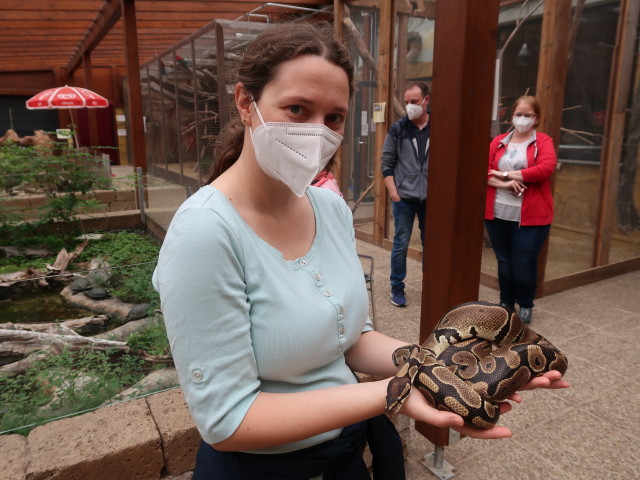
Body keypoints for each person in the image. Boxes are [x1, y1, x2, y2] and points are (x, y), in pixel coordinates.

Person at [153, 25, 568, 479]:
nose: (317, 132)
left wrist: (442, 366)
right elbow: (226, 421)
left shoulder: (329, 208)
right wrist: (402, 388)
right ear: (244, 102)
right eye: (296, 108)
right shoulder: (204, 235)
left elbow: (350, 339)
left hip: (347, 453)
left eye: (333, 118)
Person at [485, 95, 557, 324]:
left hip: (532, 215)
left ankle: (525, 303)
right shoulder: (498, 142)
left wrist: (504, 173)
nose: (522, 119)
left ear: (536, 119)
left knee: (524, 261)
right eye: (519, 115)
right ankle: (506, 301)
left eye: (528, 115)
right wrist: (504, 183)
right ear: (512, 116)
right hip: (498, 212)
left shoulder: (543, 141)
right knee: (504, 260)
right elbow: (483, 170)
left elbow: (545, 169)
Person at [381, 82, 430, 307]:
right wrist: (394, 193)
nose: (410, 106)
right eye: (407, 102)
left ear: (426, 101)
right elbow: (387, 162)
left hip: (430, 198)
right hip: (404, 198)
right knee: (401, 243)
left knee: (431, 244)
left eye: (414, 102)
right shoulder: (398, 129)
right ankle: (397, 287)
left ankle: (432, 285)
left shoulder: (438, 127)